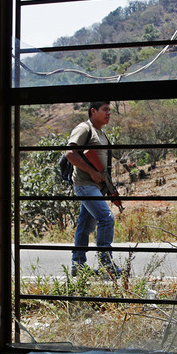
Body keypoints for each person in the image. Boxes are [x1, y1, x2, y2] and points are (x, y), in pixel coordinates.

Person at [65, 101, 121, 279]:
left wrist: (110, 188)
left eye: (109, 110)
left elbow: (103, 167)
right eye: (105, 110)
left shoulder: (101, 134)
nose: (108, 113)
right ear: (93, 111)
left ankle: (78, 265)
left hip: (95, 187)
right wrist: (92, 172)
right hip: (85, 185)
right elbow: (70, 153)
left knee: (85, 226)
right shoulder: (84, 128)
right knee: (106, 218)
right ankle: (107, 265)